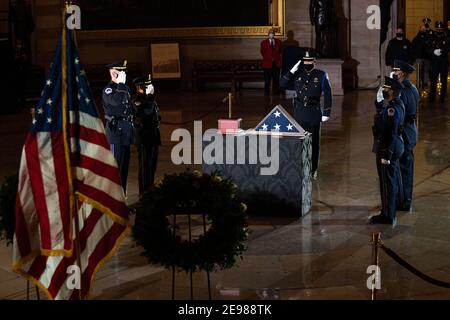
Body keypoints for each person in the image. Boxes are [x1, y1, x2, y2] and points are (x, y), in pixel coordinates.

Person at [280, 51, 332, 180]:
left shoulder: (321, 75)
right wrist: (291, 71)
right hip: (300, 113)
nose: (307, 63)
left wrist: (326, 112)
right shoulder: (298, 74)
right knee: (301, 143)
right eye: (305, 61)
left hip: (314, 113)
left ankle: (313, 169)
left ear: (314, 62)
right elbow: (282, 84)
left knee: (314, 143)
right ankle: (302, 167)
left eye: (310, 61)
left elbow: (328, 94)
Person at [371, 77, 405, 225]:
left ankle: (387, 215)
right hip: (395, 145)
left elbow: (389, 132)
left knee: (386, 182)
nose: (383, 91)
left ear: (392, 91)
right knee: (392, 179)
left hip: (388, 147)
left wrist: (387, 153)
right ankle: (390, 210)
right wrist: (378, 101)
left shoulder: (392, 109)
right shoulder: (397, 104)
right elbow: (382, 112)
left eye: (385, 89)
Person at [102, 60, 134, 194]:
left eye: (123, 71)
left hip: (125, 132)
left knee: (124, 169)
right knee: (116, 169)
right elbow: (116, 101)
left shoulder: (124, 88)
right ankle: (114, 200)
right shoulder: (109, 89)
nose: (122, 73)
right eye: (119, 70)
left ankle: (122, 198)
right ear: (112, 71)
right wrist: (120, 84)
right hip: (115, 133)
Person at [392, 60, 420, 211]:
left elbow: (399, 114)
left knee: (402, 170)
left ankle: (402, 201)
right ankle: (405, 200)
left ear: (401, 73)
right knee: (407, 167)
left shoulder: (402, 90)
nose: (394, 74)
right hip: (411, 131)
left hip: (404, 133)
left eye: (395, 72)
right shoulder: (413, 88)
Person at [132, 75, 161, 197]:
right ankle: (144, 192)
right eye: (147, 86)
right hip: (144, 138)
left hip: (153, 136)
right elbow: (147, 111)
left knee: (152, 165)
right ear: (140, 88)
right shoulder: (137, 101)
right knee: (145, 167)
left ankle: (150, 188)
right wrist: (150, 97)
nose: (150, 88)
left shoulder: (149, 100)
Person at [428, 21, 450, 103]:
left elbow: (448, 48)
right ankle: (432, 97)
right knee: (433, 80)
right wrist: (433, 51)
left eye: (441, 29)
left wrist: (442, 51)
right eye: (438, 29)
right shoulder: (432, 37)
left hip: (444, 61)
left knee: (444, 81)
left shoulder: (446, 37)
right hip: (435, 61)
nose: (439, 31)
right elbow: (428, 48)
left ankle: (442, 98)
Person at [260, 28, 282, 96]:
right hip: (267, 65)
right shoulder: (263, 42)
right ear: (268, 34)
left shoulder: (278, 42)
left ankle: (276, 94)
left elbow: (280, 51)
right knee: (267, 81)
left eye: (272, 33)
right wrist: (269, 58)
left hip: (276, 64)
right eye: (270, 33)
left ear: (274, 34)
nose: (271, 34)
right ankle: (266, 95)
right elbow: (263, 52)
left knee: (276, 81)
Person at [411, 26, 431, 90]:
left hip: (427, 58)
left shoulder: (428, 38)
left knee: (426, 71)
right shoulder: (416, 38)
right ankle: (418, 82)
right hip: (418, 58)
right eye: (422, 29)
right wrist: (414, 58)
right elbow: (413, 48)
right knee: (419, 71)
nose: (423, 30)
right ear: (419, 29)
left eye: (424, 29)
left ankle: (425, 83)